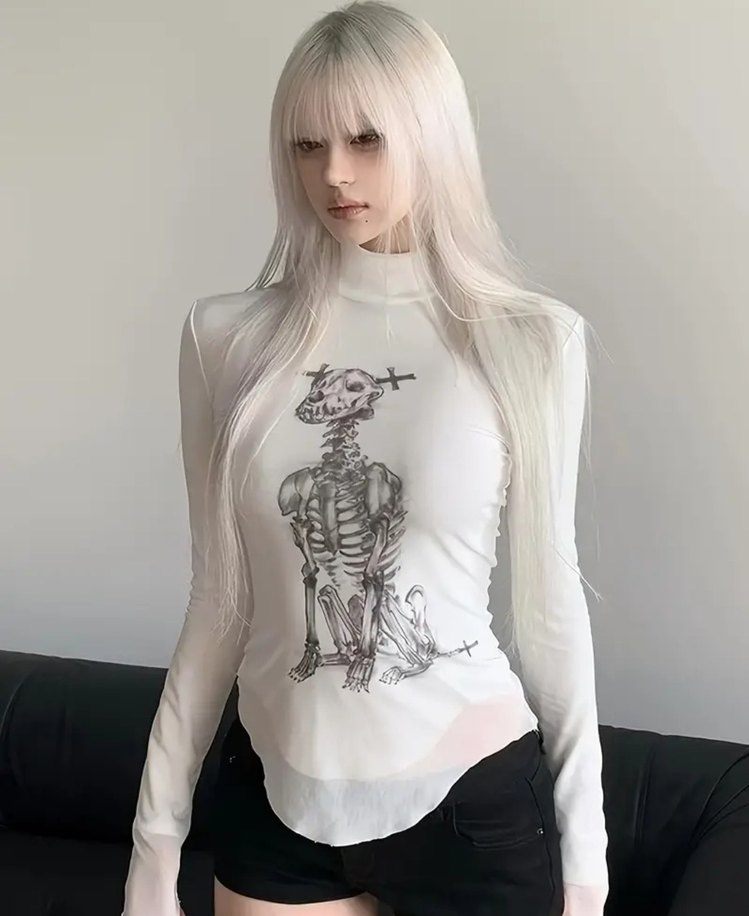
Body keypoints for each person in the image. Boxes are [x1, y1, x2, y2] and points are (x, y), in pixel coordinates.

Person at [121, 2, 609, 915]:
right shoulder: (227, 339)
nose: (335, 174)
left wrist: (586, 863)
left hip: (469, 803)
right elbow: (218, 601)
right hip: (275, 801)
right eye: (307, 146)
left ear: (432, 133)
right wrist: (155, 843)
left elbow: (549, 610)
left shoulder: (530, 340)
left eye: (367, 139)